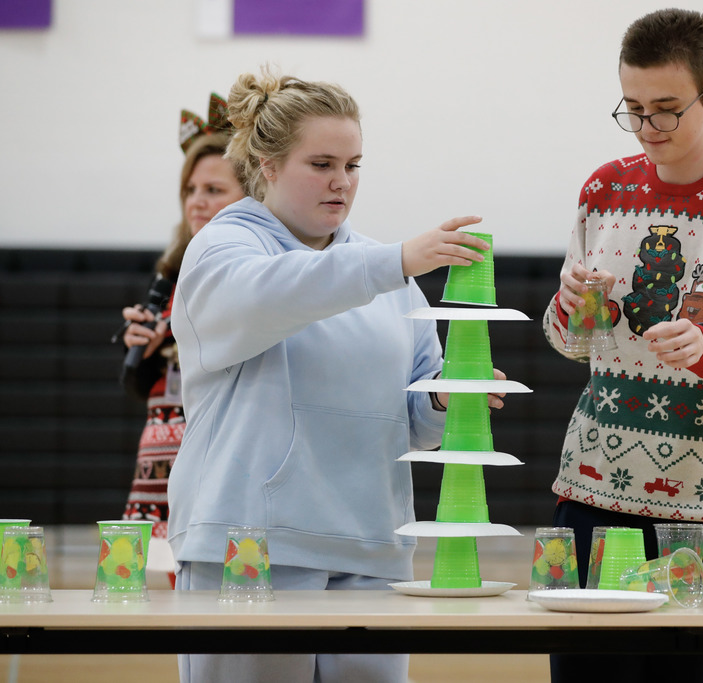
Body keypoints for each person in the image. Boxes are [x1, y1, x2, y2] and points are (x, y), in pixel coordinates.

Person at [167, 66, 501, 683]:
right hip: (250, 548)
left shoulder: (385, 272)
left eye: (353, 165)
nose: (341, 182)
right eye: (321, 164)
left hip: (372, 547)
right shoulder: (222, 248)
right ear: (267, 165)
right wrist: (395, 261)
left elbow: (414, 424)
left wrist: (446, 401)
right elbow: (276, 294)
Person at [542, 9, 703, 681]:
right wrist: (571, 306)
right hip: (594, 491)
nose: (647, 127)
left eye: (666, 109)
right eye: (632, 109)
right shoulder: (604, 190)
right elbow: (572, 343)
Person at [118, 93, 245, 587]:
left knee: (231, 590)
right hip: (164, 455)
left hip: (215, 457)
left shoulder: (250, 269)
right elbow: (146, 387)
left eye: (213, 189)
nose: (197, 201)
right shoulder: (172, 273)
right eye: (190, 189)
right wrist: (142, 350)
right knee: (177, 597)